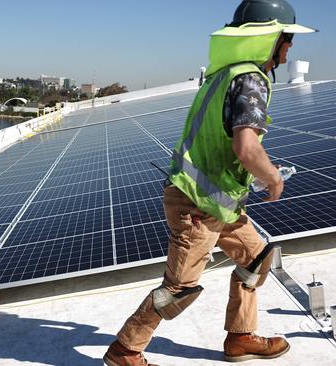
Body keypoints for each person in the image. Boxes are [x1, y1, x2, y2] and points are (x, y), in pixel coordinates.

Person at [103, 1, 316, 365]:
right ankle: (126, 350)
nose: (291, 46)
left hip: (218, 201)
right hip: (197, 205)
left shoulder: (225, 75)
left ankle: (240, 337)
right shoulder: (251, 80)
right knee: (178, 290)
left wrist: (256, 171)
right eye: (287, 37)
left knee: (256, 258)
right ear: (268, 38)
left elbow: (225, 145)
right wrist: (273, 178)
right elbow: (246, 147)